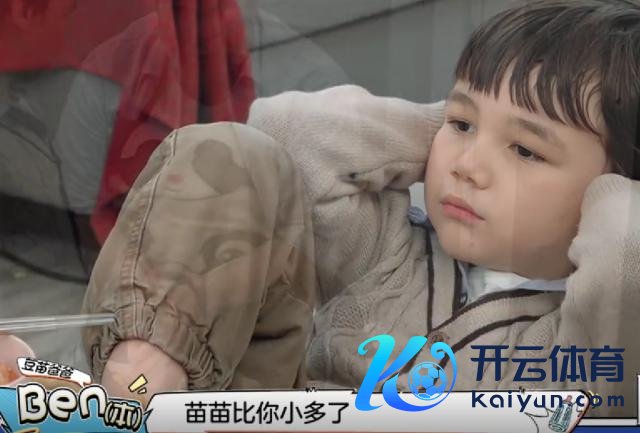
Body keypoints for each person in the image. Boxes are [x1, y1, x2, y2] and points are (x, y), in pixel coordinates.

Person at [83, 0, 640, 417]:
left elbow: (625, 252)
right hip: (255, 411)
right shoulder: (389, 247)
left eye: (525, 150)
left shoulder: (591, 339)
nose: (468, 165)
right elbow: (286, 133)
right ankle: (138, 391)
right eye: (461, 123)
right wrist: (436, 131)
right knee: (229, 153)